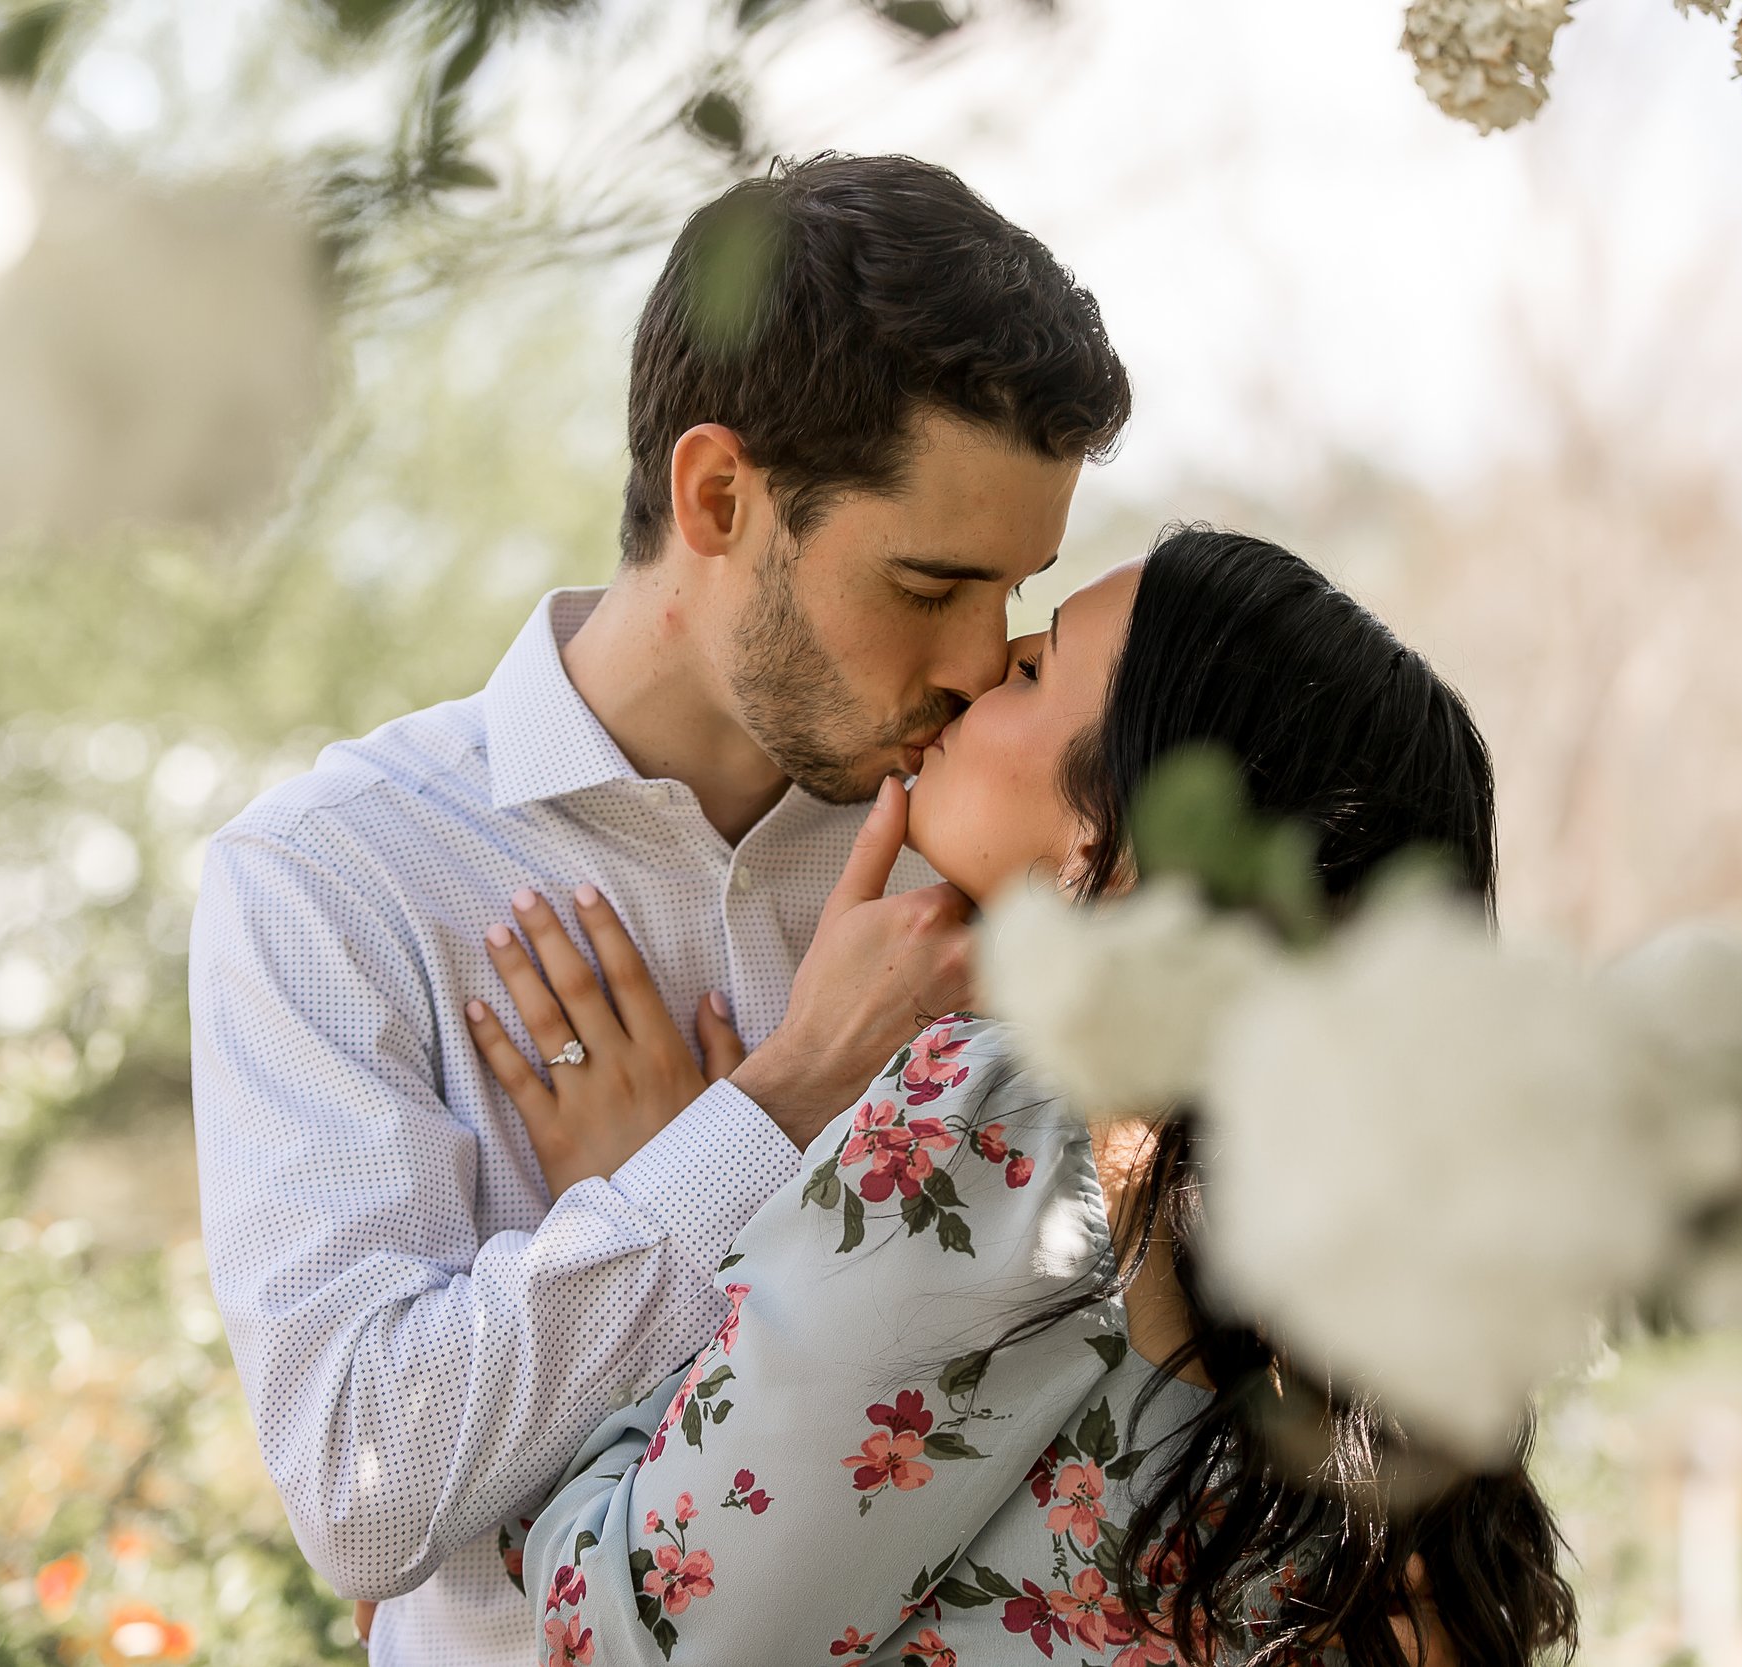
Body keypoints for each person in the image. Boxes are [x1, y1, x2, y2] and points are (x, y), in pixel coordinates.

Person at [188, 153, 1130, 1665]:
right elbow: (364, 1485)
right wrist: (775, 1108)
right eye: (930, 580)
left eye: (1015, 588)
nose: (976, 659)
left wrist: (659, 1189)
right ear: (716, 495)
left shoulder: (996, 859)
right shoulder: (334, 879)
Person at [480, 529, 1579, 1665]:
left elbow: (628, 1634)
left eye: (1034, 668)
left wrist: (656, 1190)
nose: (981, 662)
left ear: (1116, 836)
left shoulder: (1020, 1111)